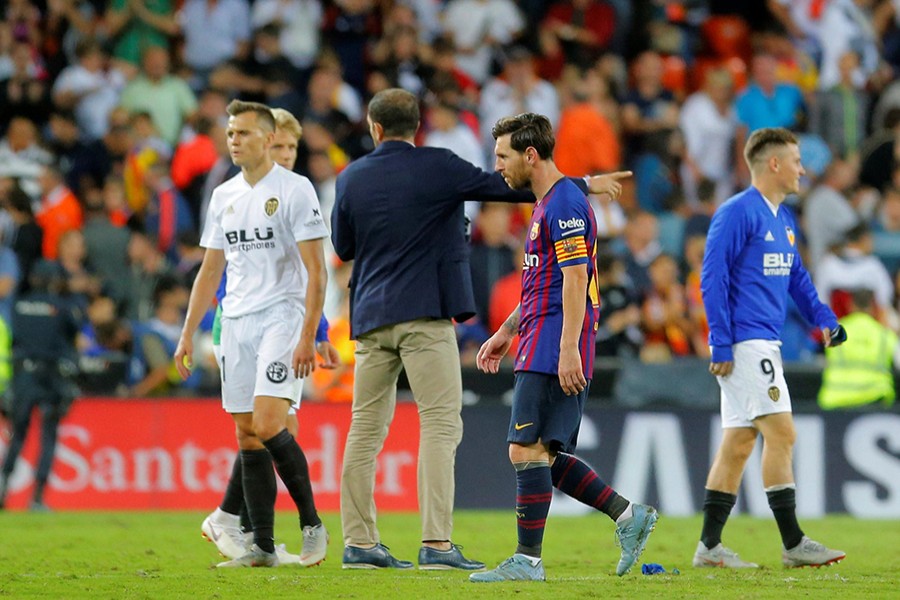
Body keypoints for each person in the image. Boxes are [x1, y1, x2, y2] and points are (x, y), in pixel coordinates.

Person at [332, 88, 630, 570]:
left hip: (367, 315)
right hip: (425, 315)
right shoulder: (440, 166)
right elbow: (507, 184)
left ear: (374, 128)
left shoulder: (350, 177)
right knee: (440, 423)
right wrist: (587, 182)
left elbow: (343, 248)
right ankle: (436, 544)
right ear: (418, 126)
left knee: (364, 429)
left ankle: (359, 543)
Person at [470, 113, 657, 583]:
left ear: (529, 155)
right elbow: (540, 284)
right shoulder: (553, 200)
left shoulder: (564, 206)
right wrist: (507, 331)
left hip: (555, 340)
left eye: (503, 157)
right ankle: (627, 515)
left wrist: (569, 348)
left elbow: (575, 280)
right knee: (541, 454)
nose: (499, 168)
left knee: (525, 450)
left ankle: (528, 561)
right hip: (540, 335)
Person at [174, 100, 328, 568]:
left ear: (266, 137)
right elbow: (209, 269)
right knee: (246, 435)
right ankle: (262, 545)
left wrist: (307, 333)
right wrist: (187, 333)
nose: (233, 140)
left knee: (268, 424)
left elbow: (316, 271)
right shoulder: (223, 195)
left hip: (280, 317)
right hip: (236, 322)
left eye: (242, 133)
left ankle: (312, 524)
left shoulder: (296, 189)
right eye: (230, 133)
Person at [696, 127, 847, 569]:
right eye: (797, 161)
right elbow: (713, 277)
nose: (804, 169)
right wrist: (720, 340)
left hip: (764, 340)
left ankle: (709, 547)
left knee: (739, 443)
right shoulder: (736, 213)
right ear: (774, 164)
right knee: (782, 433)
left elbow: (797, 277)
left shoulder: (783, 218)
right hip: (745, 342)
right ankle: (794, 542)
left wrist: (824, 320)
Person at [0, 260, 80, 511]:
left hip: (23, 375)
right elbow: (73, 334)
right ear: (55, 281)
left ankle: (2, 490)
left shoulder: (18, 305)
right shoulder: (60, 306)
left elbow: (15, 338)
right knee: (48, 436)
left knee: (18, 435)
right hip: (50, 377)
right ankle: (37, 498)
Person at [819, 288, 897, 410]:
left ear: (850, 305)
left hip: (837, 400)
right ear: (873, 306)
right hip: (875, 400)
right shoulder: (885, 335)